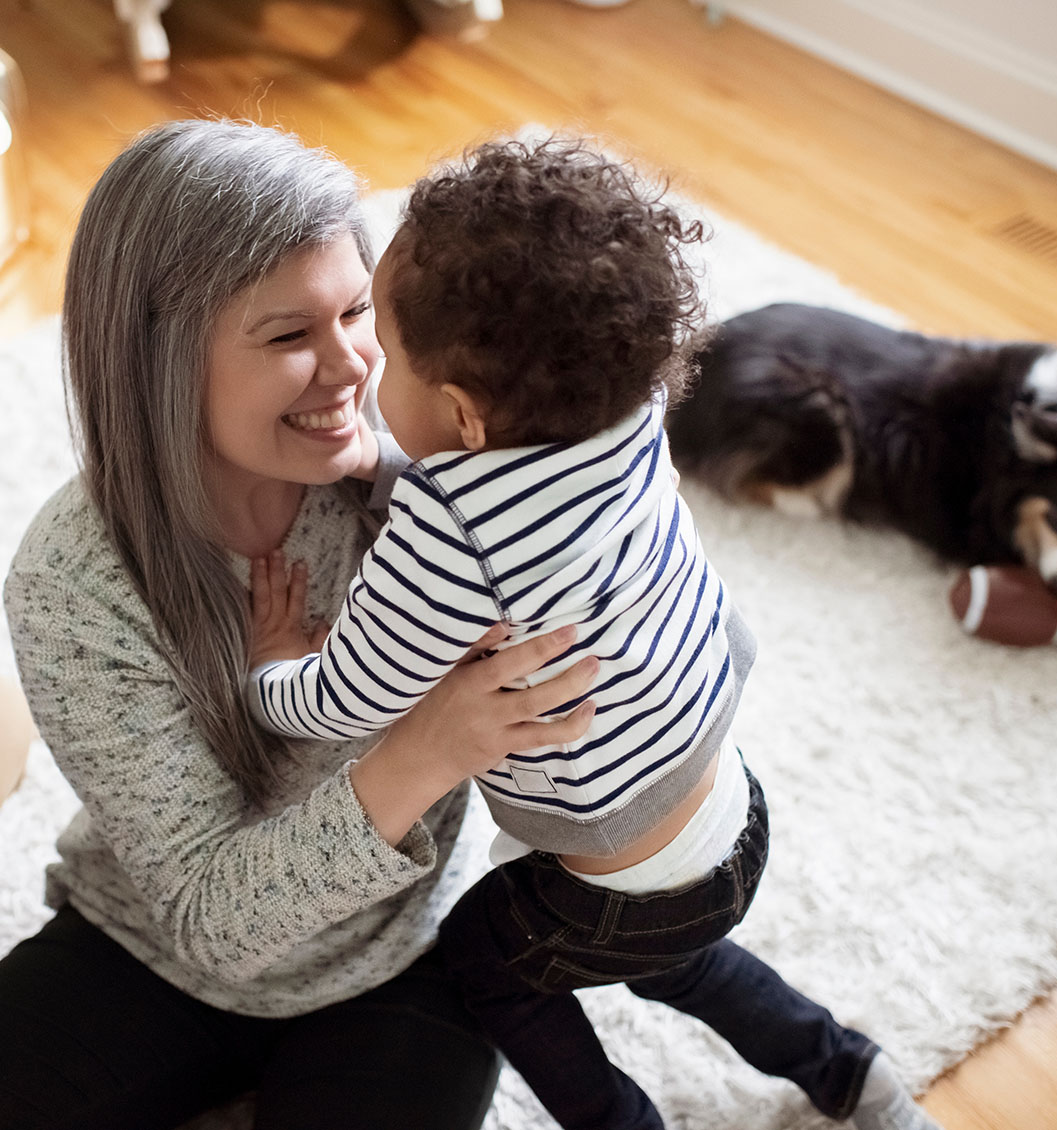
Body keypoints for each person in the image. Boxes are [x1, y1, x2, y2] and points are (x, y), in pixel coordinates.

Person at [246, 137, 943, 1130]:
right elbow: (517, 498)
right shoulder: (626, 404)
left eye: (384, 355)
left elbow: (344, 700)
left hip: (609, 882)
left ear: (458, 414)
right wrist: (388, 463)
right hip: (727, 811)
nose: (363, 365)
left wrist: (269, 659)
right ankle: (849, 1073)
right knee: (682, 960)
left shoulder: (446, 531)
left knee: (488, 967)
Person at [0, 117, 602, 1130]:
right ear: (158, 360)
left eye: (359, 312)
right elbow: (209, 920)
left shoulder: (436, 488)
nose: (352, 368)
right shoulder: (75, 579)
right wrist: (427, 746)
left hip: (403, 955)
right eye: (288, 335)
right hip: (149, 943)